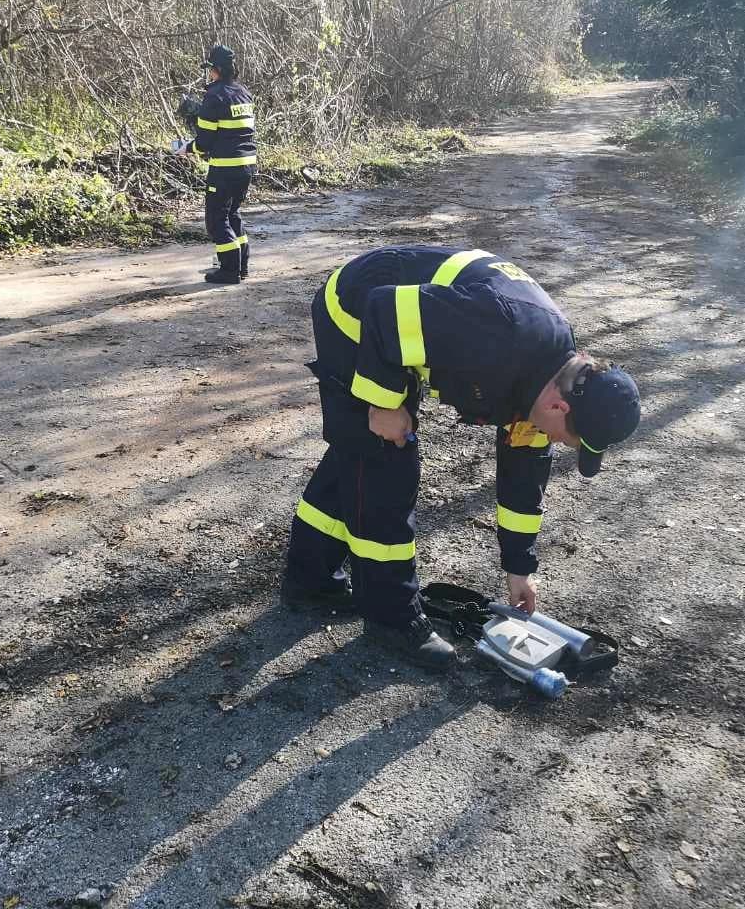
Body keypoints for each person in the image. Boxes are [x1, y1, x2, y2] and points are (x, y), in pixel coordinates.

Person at [281, 245, 641, 670]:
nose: (562, 445)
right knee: (384, 461)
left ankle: (310, 580)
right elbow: (384, 309)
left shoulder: (550, 378)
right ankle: (391, 617)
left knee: (354, 451)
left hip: (397, 331)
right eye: (572, 440)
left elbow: (522, 482)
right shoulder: (500, 332)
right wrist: (382, 404)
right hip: (356, 314)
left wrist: (519, 568)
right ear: (560, 409)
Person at [181, 44, 257, 285]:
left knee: (216, 220)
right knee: (232, 214)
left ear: (217, 70)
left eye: (210, 69)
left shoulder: (213, 96)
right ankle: (241, 267)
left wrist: (187, 148)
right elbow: (233, 133)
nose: (209, 74)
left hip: (225, 168)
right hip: (246, 166)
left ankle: (228, 270)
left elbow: (204, 142)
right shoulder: (244, 93)